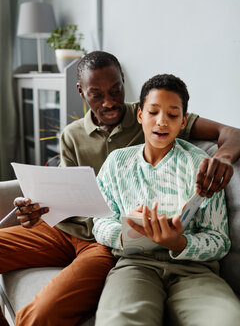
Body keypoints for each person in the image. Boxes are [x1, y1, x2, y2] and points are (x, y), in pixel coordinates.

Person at [0, 51, 239, 325]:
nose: (110, 101)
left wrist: (220, 160)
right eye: (97, 95)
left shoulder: (158, 112)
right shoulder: (73, 136)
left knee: (42, 313)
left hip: (100, 243)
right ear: (81, 92)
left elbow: (231, 133)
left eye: (116, 90)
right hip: (67, 230)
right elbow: (65, 196)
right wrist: (36, 210)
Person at [92, 74, 240, 326]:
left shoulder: (201, 166)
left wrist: (179, 242)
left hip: (195, 270)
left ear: (183, 122)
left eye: (172, 115)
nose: (161, 122)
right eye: (153, 112)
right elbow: (100, 223)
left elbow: (219, 241)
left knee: (225, 319)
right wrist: (126, 233)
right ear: (140, 115)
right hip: (134, 266)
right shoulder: (117, 163)